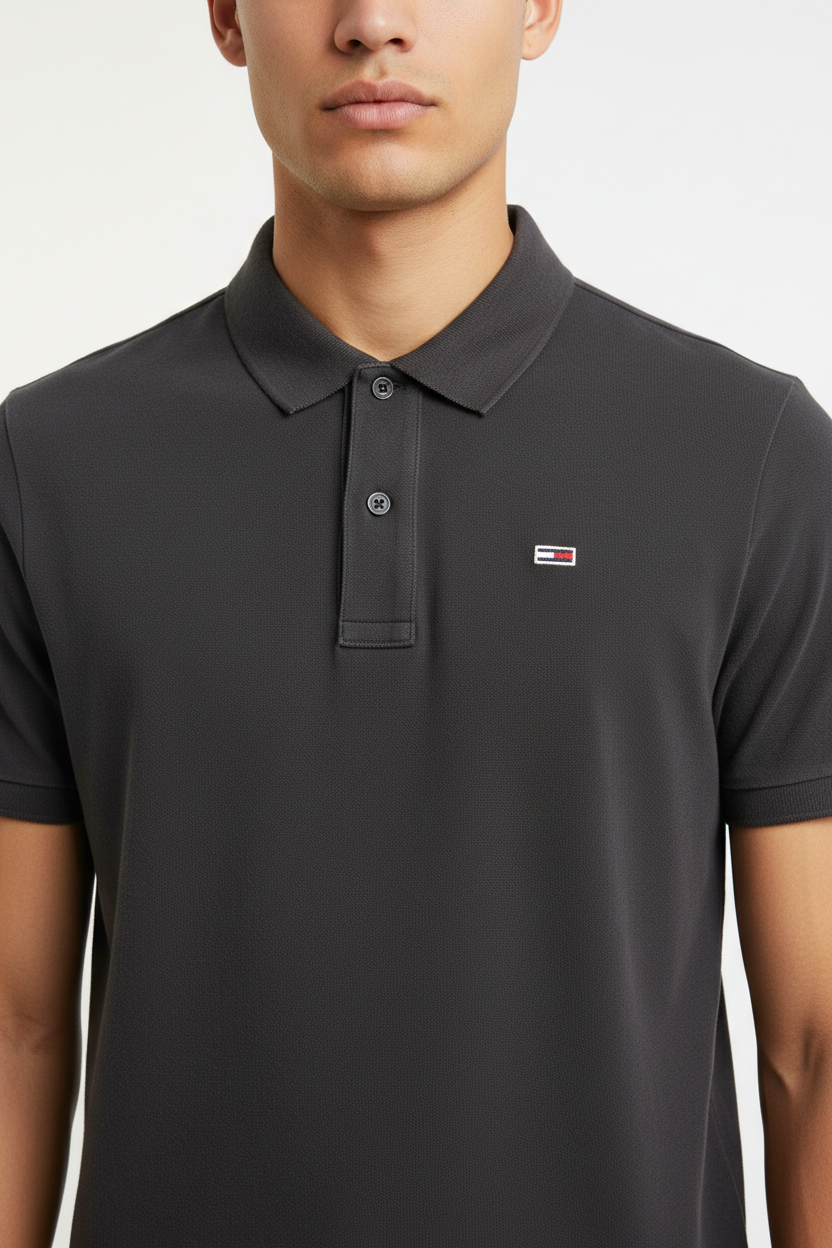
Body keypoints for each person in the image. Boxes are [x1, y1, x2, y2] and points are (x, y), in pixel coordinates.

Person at [1, 0, 830, 1244]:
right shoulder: (53, 465)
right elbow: (14, 1027)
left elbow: (813, 1044)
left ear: (537, 8)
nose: (372, 21)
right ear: (226, 17)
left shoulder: (747, 457)